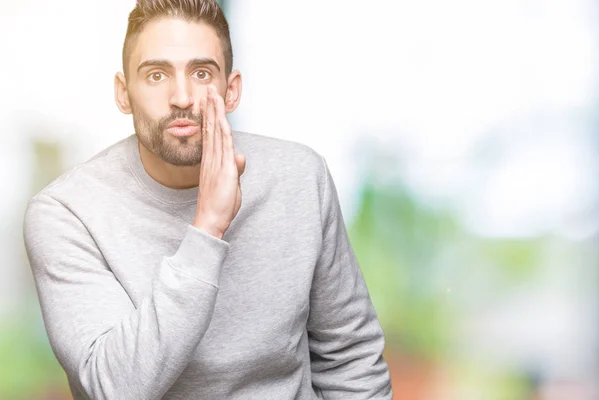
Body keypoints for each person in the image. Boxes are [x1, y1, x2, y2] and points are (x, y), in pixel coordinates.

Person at [23, 0, 393, 398]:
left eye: (201, 73)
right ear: (123, 93)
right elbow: (110, 388)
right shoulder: (66, 213)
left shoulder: (301, 177)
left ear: (231, 91)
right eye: (156, 74)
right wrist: (207, 227)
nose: (181, 97)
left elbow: (351, 357)